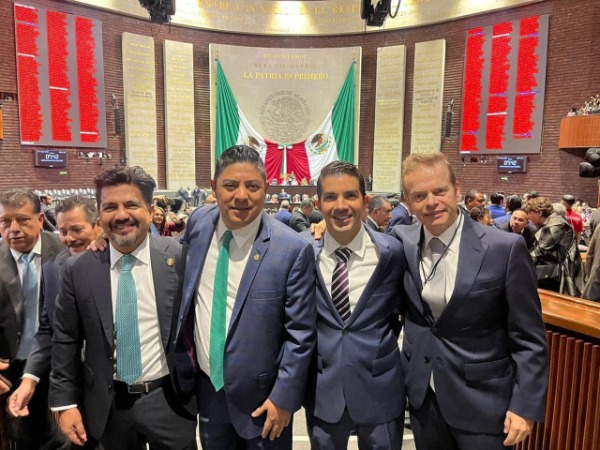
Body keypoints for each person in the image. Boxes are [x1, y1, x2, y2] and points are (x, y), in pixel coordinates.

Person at [391, 153, 548, 450]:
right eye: (419, 195)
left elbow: (529, 337)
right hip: (424, 398)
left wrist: (525, 405)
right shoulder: (402, 240)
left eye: (439, 191)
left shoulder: (504, 248)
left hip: (484, 402)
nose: (431, 202)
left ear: (457, 190)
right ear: (408, 202)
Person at [173, 145, 316, 450]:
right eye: (230, 185)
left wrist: (284, 398)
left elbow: (301, 334)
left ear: (266, 187)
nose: (241, 196)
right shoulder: (199, 223)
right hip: (208, 392)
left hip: (265, 401)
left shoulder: (291, 249)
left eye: (252, 186)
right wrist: (107, 239)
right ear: (213, 187)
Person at [49, 167, 197, 449]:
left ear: (150, 210)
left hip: (169, 400)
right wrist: (64, 402)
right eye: (110, 207)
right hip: (108, 405)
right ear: (99, 215)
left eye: (131, 205)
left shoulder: (180, 258)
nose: (120, 215)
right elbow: (66, 339)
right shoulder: (78, 270)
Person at [302, 161, 406, 450]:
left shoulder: (392, 252)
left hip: (381, 385)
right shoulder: (303, 251)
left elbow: (400, 307)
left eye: (350, 195)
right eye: (330, 197)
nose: (341, 206)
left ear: (365, 201)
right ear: (318, 204)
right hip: (323, 387)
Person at [7, 195, 102, 435]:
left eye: (77, 229)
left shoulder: (118, 262)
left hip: (115, 384)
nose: (69, 238)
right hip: (71, 382)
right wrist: (29, 378)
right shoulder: (53, 270)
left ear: (98, 226)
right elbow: (48, 328)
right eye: (63, 231)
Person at [0, 189, 65, 449]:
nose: (13, 229)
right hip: (10, 366)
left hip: (62, 361)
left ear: (40, 220)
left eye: (22, 220)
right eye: (5, 222)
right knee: (25, 436)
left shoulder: (65, 249)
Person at [525, 197, 584, 296]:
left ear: (539, 213)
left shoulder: (556, 225)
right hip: (554, 270)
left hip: (562, 273)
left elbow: (540, 251)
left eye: (529, 213)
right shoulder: (552, 221)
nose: (528, 217)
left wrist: (519, 263)